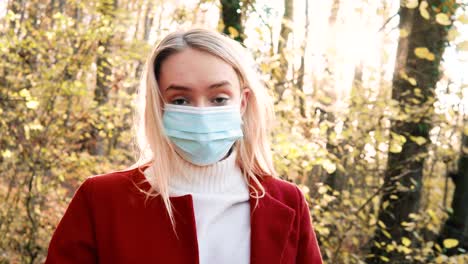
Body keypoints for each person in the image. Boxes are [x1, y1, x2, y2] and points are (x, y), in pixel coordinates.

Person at [45, 28, 323, 264]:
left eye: (218, 98)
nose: (201, 112)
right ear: (160, 107)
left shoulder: (288, 202)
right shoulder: (102, 200)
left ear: (242, 102)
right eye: (180, 100)